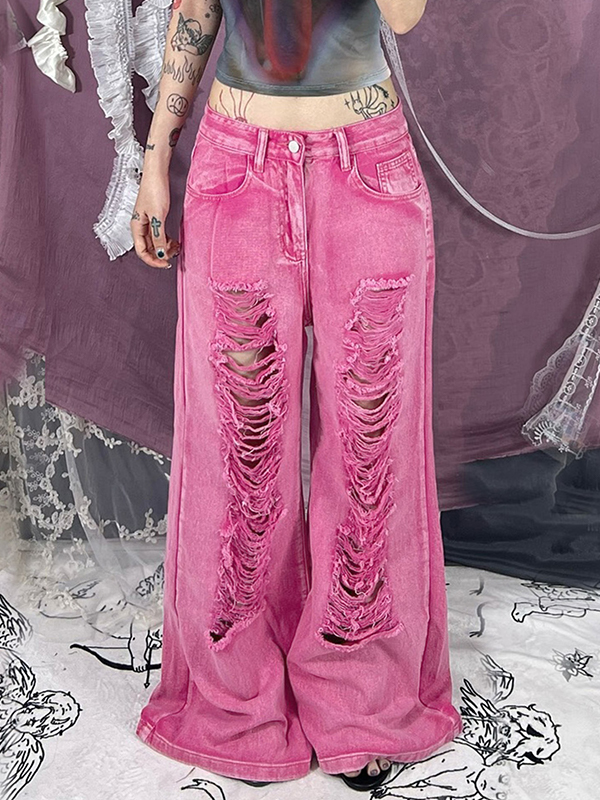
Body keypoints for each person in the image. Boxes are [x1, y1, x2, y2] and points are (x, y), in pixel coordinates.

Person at [131, 0, 463, 792]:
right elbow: (197, 9)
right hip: (236, 163)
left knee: (368, 446)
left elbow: (405, 18)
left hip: (367, 164)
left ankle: (363, 700)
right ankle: (237, 699)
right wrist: (155, 156)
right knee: (238, 448)